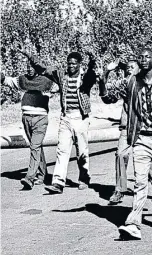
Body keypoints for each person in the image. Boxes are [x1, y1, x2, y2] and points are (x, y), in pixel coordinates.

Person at [99, 48, 152, 238]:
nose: (144, 59)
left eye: (148, 57)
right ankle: (133, 222)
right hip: (140, 138)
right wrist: (104, 75)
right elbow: (107, 97)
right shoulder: (131, 82)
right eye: (141, 57)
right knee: (140, 181)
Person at [20, 47, 99, 194]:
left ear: (79, 64)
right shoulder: (62, 75)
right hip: (66, 117)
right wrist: (29, 55)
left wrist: (92, 60)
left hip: (81, 118)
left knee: (82, 151)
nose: (71, 66)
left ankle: (83, 178)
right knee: (62, 150)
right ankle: (58, 182)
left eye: (74, 63)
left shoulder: (84, 78)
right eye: (69, 63)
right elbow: (42, 68)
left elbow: (91, 75)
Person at [1, 62, 53, 189]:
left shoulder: (47, 81)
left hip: (40, 119)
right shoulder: (23, 80)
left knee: (34, 147)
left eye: (32, 68)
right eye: (28, 67)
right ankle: (42, 174)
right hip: (26, 118)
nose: (29, 70)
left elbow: (61, 84)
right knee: (36, 146)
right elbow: (7, 81)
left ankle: (29, 178)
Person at [101, 59, 141, 204]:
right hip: (126, 127)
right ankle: (119, 189)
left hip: (143, 129)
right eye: (128, 67)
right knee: (120, 154)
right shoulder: (123, 83)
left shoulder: (145, 82)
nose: (129, 69)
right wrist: (105, 73)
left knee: (147, 160)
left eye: (132, 67)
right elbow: (107, 96)